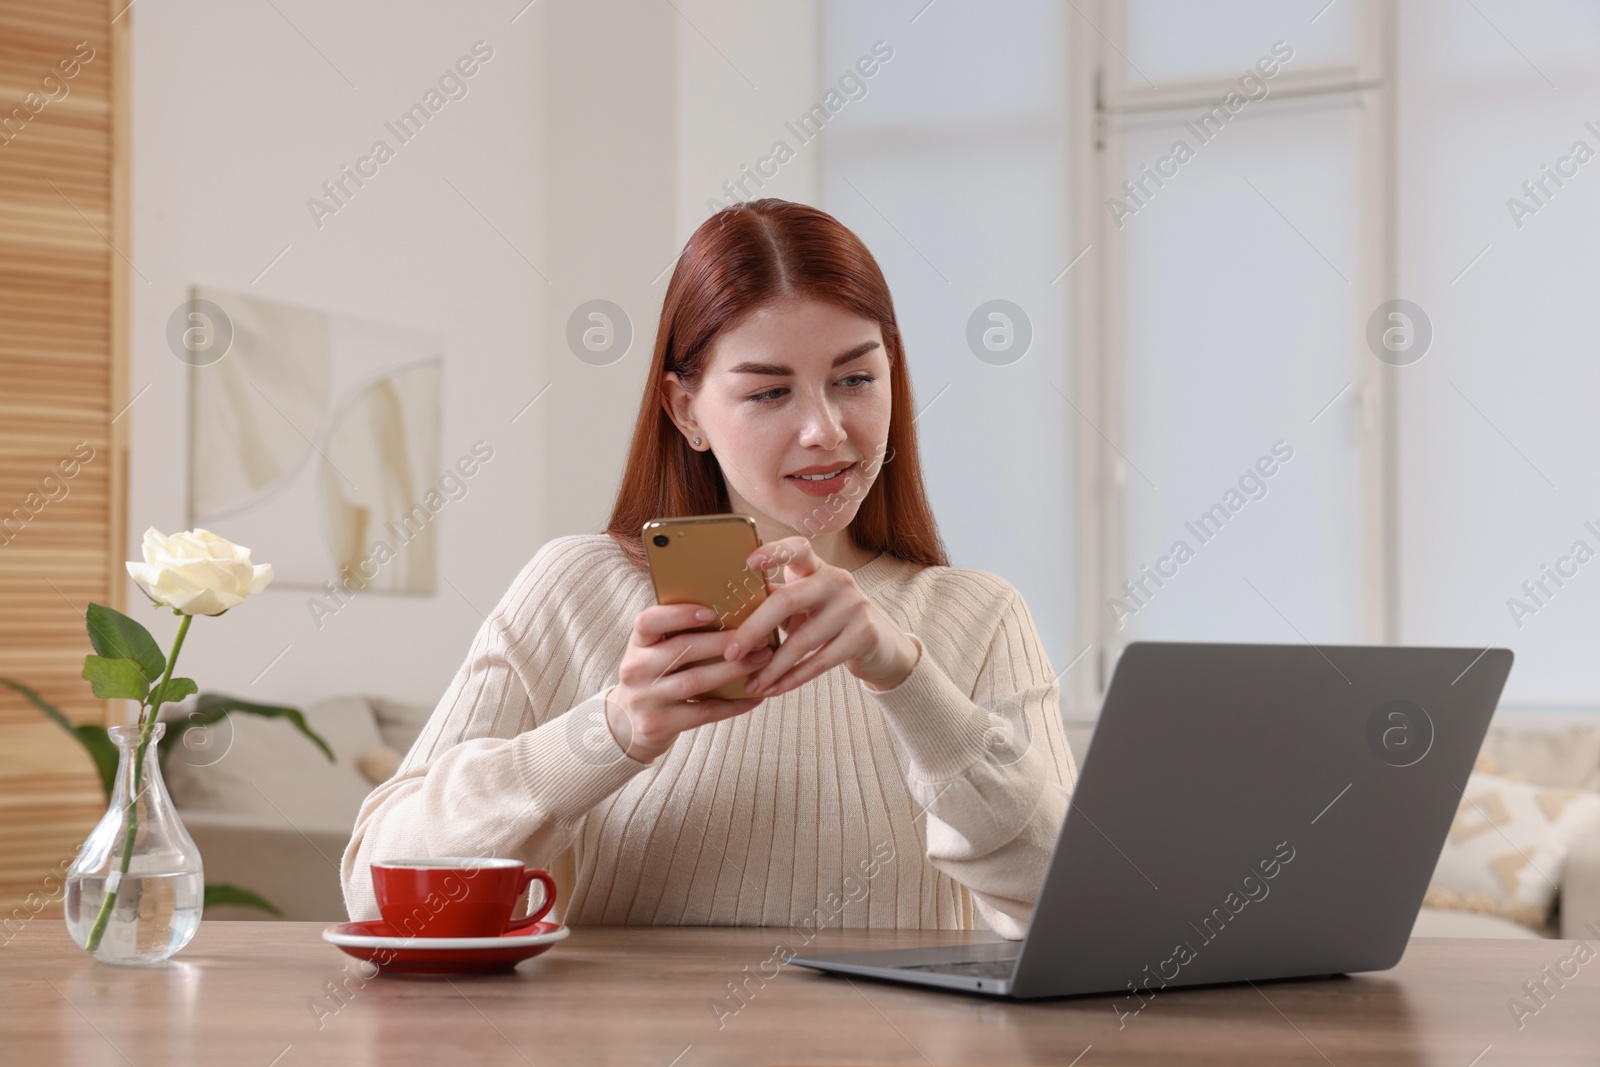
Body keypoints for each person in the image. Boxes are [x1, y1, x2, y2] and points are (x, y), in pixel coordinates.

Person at [340, 198, 1077, 939]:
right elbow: (375, 889)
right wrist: (611, 730)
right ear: (686, 409)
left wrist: (907, 677)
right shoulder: (574, 588)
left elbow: (1066, 909)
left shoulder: (980, 615)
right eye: (769, 391)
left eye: (855, 379)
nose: (826, 430)